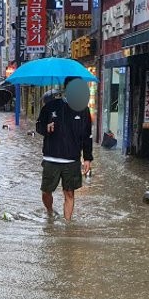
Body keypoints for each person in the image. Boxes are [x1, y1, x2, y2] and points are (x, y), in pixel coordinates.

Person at [35, 77, 94, 221]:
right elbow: (38, 126)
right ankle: (49, 211)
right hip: (51, 157)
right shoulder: (50, 106)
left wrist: (87, 158)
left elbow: (88, 136)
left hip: (72, 159)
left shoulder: (84, 110)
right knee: (46, 191)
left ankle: (67, 225)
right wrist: (46, 128)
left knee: (69, 194)